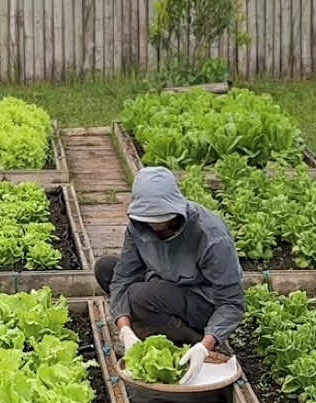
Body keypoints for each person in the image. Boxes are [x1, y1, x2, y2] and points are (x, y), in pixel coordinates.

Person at [95, 164, 246, 384]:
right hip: (164, 283)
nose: (156, 226)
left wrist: (205, 345)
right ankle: (147, 325)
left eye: (162, 218)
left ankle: (190, 338)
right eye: (149, 218)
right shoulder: (138, 227)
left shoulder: (210, 235)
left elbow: (231, 302)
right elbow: (123, 276)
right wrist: (124, 329)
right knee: (106, 268)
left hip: (202, 301)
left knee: (139, 296)